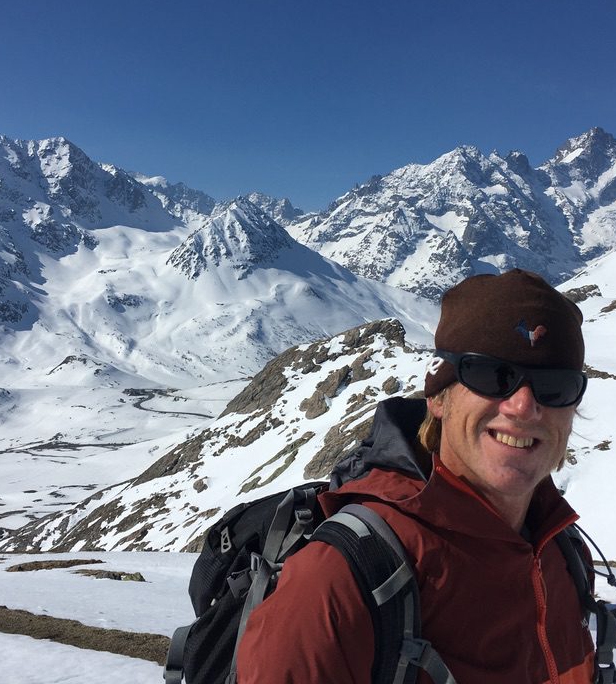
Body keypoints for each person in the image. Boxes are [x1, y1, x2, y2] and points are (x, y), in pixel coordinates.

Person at [236, 269, 597, 683]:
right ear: (438, 396)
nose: (522, 407)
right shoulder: (342, 577)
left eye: (555, 385)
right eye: (492, 375)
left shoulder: (562, 554)